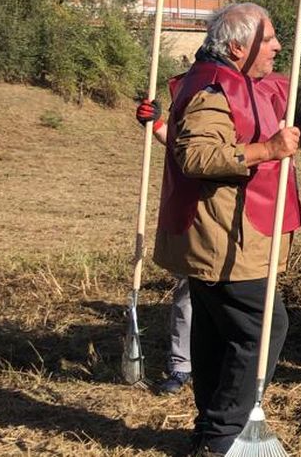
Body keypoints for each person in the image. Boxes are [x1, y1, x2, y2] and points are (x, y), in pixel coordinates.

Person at [152, 2, 301, 456]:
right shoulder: (213, 89)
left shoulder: (230, 80)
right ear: (239, 47)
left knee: (216, 334)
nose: (278, 46)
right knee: (262, 329)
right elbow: (196, 156)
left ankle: (207, 431)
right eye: (270, 38)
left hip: (226, 237)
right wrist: (267, 149)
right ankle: (222, 438)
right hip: (225, 240)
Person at [136, 92, 193, 396]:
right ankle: (182, 365)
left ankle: (233, 365)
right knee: (188, 288)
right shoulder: (194, 85)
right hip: (194, 205)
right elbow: (182, 141)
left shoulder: (264, 89)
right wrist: (156, 123)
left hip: (245, 208)